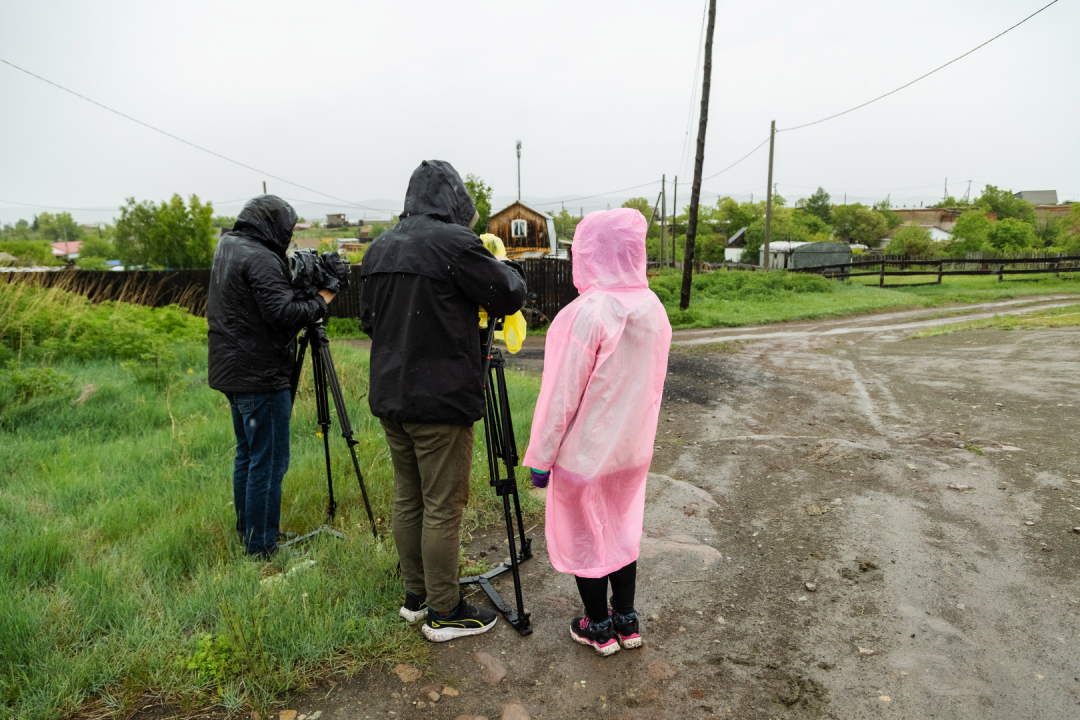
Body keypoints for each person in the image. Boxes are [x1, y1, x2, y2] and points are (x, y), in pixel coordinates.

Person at [360, 160, 526, 642]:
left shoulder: (380, 246)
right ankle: (446, 610)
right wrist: (503, 266)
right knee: (443, 506)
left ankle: (416, 599)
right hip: (440, 399)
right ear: (453, 199)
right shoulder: (454, 243)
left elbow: (369, 322)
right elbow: (508, 295)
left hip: (391, 394)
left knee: (408, 496)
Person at [522, 208, 671, 656]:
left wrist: (540, 457)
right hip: (631, 450)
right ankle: (627, 619)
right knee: (622, 528)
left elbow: (559, 397)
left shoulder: (585, 314)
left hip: (585, 454)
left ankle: (598, 625)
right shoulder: (652, 308)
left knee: (587, 534)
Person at [207, 195, 336, 558]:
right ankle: (262, 547)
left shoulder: (229, 246)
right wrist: (323, 298)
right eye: (288, 228)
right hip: (259, 373)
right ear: (272, 225)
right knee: (269, 460)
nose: (289, 235)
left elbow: (260, 303)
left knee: (248, 454)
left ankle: (250, 533)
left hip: (232, 369)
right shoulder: (261, 256)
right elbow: (283, 315)